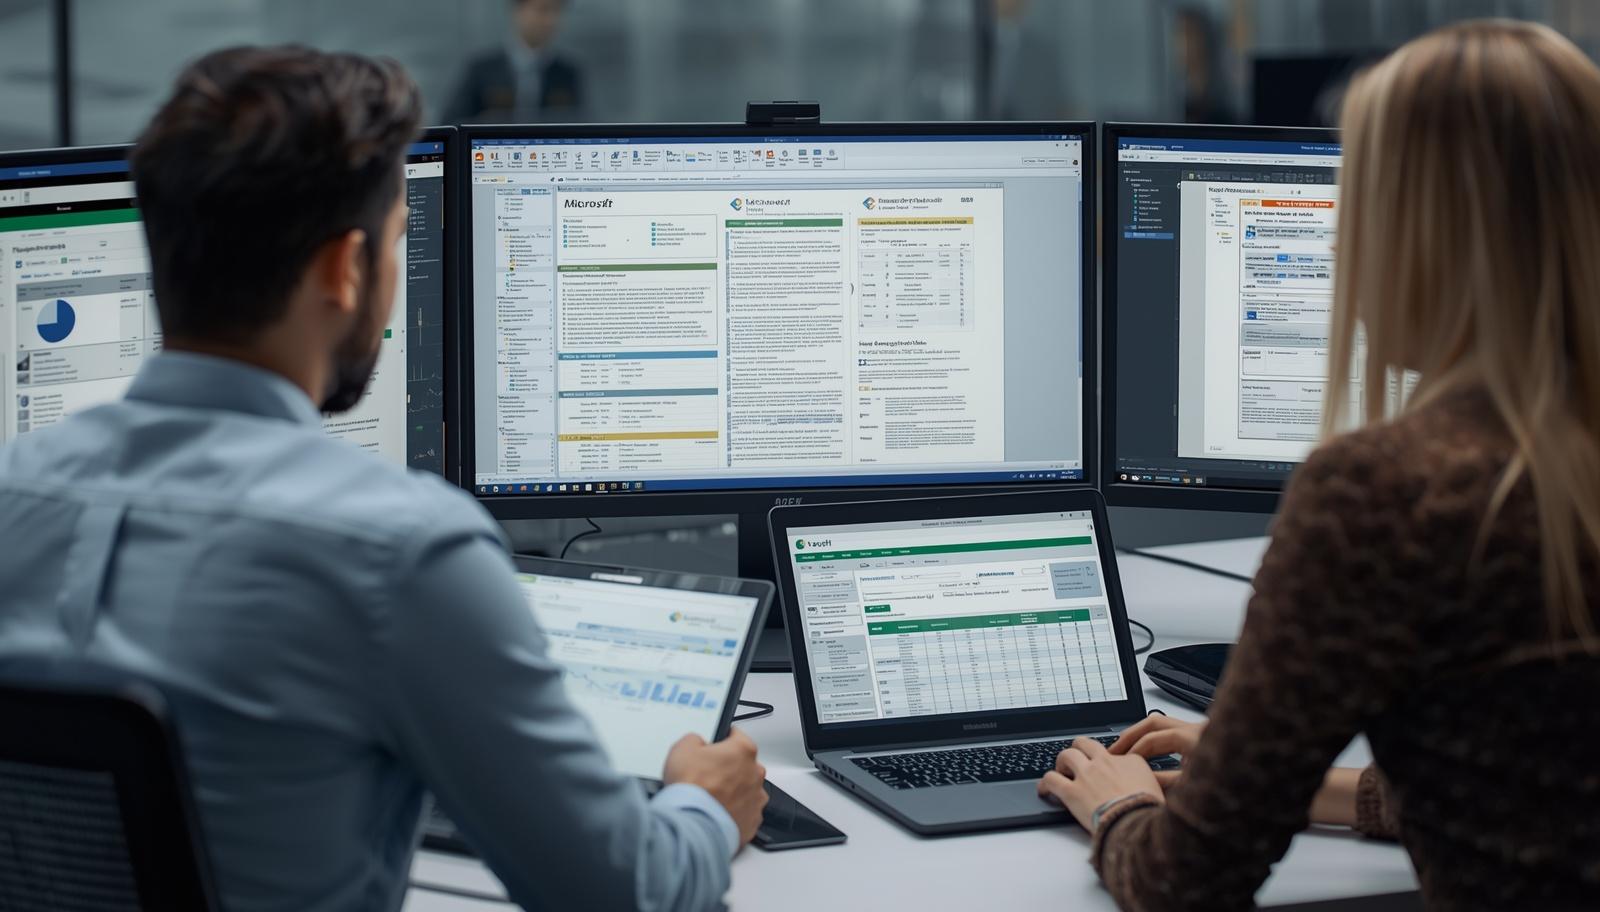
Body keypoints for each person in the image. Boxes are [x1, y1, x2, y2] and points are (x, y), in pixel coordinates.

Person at [0, 46, 764, 912]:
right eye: (400, 240)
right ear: (342, 268)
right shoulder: (400, 551)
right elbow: (623, 892)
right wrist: (707, 801)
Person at [1036, 20, 1600, 910]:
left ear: (1414, 239)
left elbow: (1183, 886)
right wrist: (1303, 783)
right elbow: (1548, 785)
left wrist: (1119, 810)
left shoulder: (1391, 490)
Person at [444, 0, 583, 123]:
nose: (551, 20)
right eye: (543, 9)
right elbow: (452, 122)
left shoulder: (568, 73)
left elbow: (580, 124)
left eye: (557, 11)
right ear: (518, 11)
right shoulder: (481, 70)